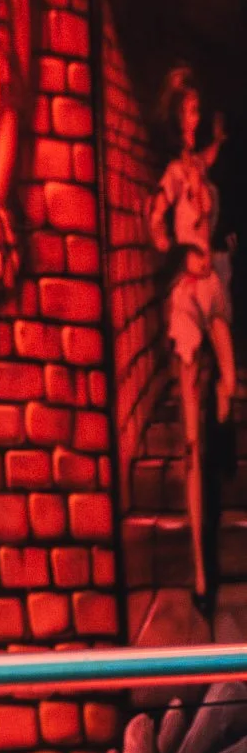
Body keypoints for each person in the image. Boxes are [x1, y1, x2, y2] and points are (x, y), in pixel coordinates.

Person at [152, 65, 234, 602]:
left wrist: (218, 143)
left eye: (196, 113)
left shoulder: (198, 170)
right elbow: (156, 222)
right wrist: (174, 247)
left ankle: (220, 430)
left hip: (212, 290)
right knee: (191, 440)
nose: (194, 120)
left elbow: (205, 161)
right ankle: (202, 570)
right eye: (188, 112)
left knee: (227, 384)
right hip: (187, 293)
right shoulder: (174, 177)